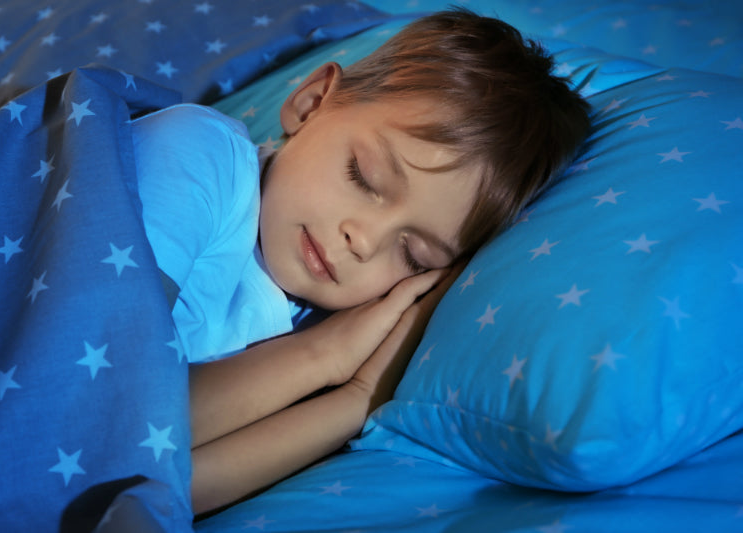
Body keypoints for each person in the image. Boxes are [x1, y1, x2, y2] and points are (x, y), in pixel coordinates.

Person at [135, 8, 591, 515]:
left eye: (413, 255)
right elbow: (101, 418)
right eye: (364, 177)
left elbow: (163, 490)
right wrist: (323, 356)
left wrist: (357, 394)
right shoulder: (201, 154)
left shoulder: (311, 321)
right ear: (310, 105)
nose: (364, 240)